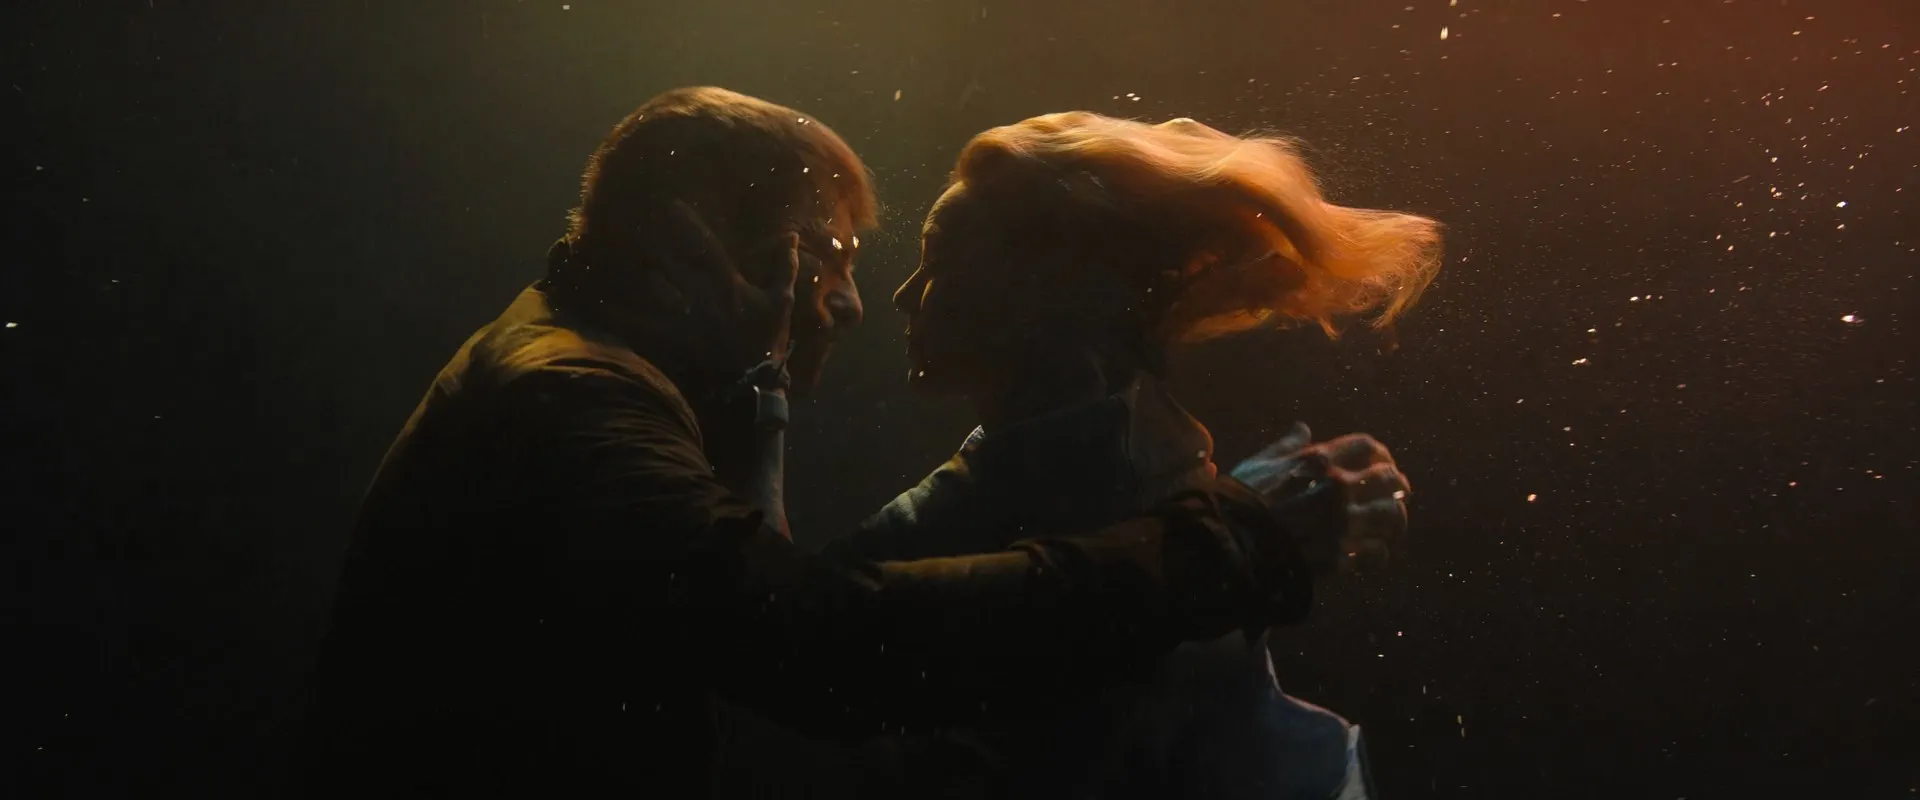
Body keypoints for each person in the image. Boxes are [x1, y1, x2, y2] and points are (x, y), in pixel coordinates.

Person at [294, 88, 1363, 799]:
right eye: (828, 253)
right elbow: (819, 646)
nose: (856, 302)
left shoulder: (568, 369)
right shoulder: (577, 401)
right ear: (700, 240)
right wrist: (1223, 543)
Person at [823, 112, 1441, 799]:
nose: (904, 295)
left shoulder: (1046, 497)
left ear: (1044, 291)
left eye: (939, 262)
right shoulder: (1142, 459)